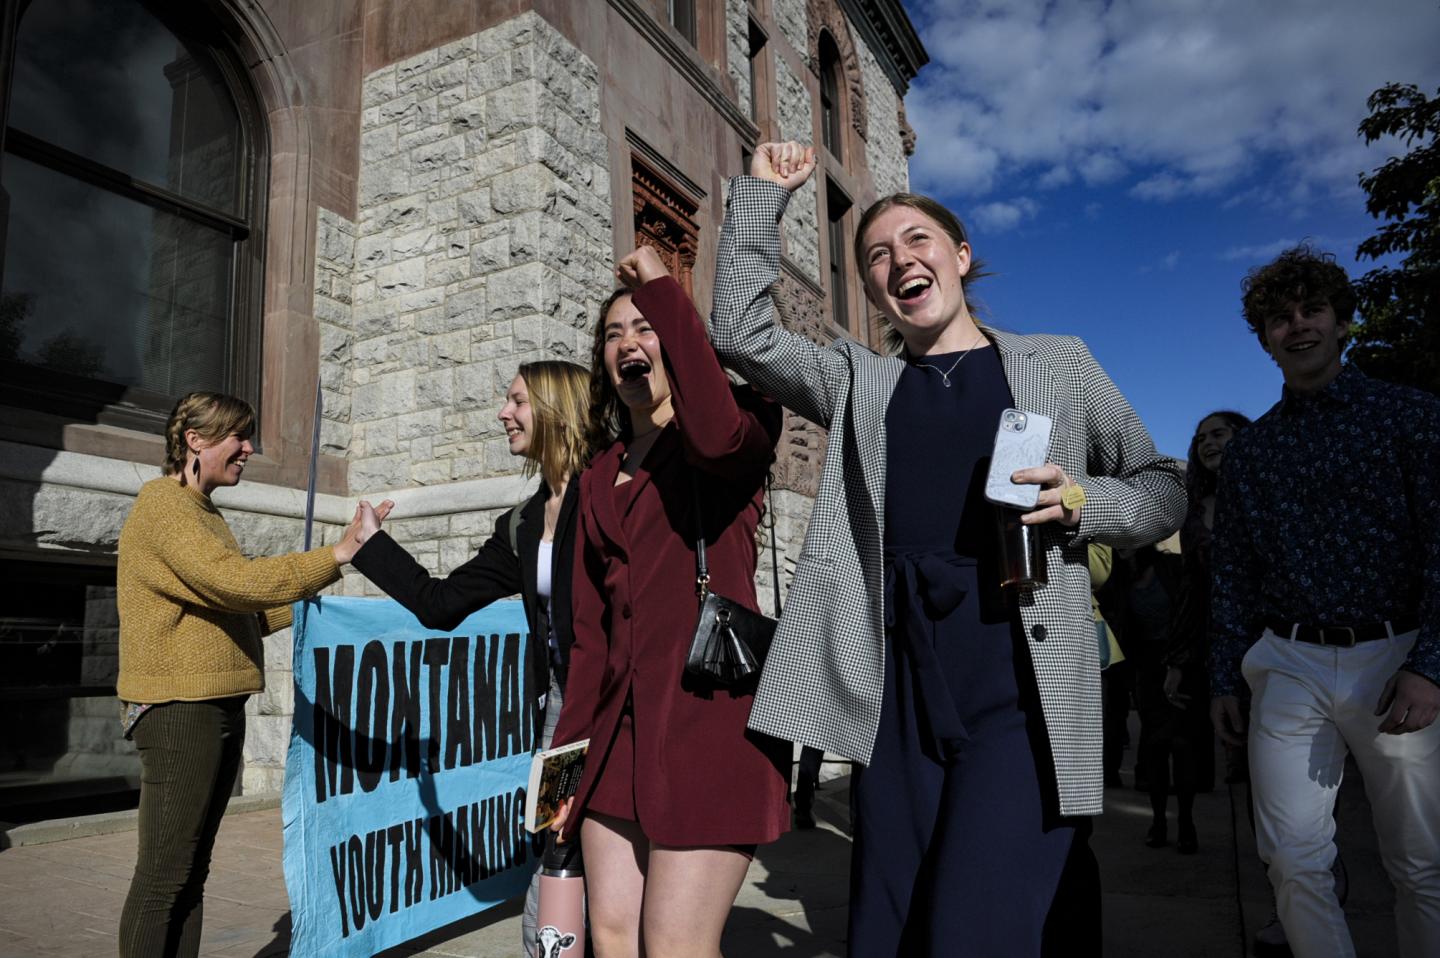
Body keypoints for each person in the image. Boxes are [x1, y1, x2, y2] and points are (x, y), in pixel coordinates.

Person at [710, 141, 1187, 955]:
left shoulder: (1055, 364)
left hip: (1017, 674)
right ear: (871, 290)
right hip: (896, 680)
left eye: (918, 241)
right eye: (877, 257)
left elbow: (1165, 482)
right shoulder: (863, 380)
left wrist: (1081, 502)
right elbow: (740, 330)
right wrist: (761, 197)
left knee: (974, 925)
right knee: (890, 924)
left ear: (960, 257)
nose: (900, 261)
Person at [550, 245, 789, 958]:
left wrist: (661, 289)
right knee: (615, 937)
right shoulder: (595, 478)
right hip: (615, 743)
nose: (629, 343)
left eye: (645, 328)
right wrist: (562, 770)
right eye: (613, 333)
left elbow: (715, 430)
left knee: (676, 946)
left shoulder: (735, 435)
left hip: (709, 727)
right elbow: (588, 641)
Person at [1209, 244, 1440, 958]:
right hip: (1288, 663)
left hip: (1396, 659)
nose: (1298, 326)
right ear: (1265, 337)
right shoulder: (1253, 450)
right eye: (1280, 318)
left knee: (1421, 864)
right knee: (1292, 858)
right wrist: (1224, 674)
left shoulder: (1411, 417)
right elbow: (1234, 570)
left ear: (1343, 321)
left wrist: (1431, 664)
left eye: (1312, 311)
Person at [116, 392, 375, 958]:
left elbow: (247, 612)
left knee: (189, 871)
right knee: (164, 876)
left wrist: (322, 581)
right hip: (181, 710)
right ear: (195, 441)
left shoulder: (204, 514)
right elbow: (237, 583)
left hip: (215, 706)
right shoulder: (163, 506)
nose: (250, 449)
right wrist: (336, 554)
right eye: (238, 436)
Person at [349, 359, 592, 956]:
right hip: (561, 717)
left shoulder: (613, 494)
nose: (502, 413)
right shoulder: (522, 523)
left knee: (609, 853)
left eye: (516, 401)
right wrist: (370, 546)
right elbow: (440, 603)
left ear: (556, 409)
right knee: (555, 847)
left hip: (617, 706)